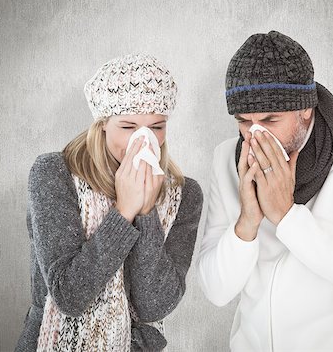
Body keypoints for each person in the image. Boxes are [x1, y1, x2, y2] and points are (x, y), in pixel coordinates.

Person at [197, 31, 333, 351]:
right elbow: (216, 290)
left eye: (270, 119)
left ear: (305, 109)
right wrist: (247, 224)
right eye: (243, 121)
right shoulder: (228, 158)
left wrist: (286, 216)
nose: (255, 136)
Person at [15, 54, 203, 351]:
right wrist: (124, 211)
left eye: (156, 127)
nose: (142, 142)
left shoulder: (184, 194)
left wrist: (147, 211)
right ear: (102, 124)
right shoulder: (54, 174)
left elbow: (155, 306)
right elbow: (69, 296)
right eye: (128, 127)